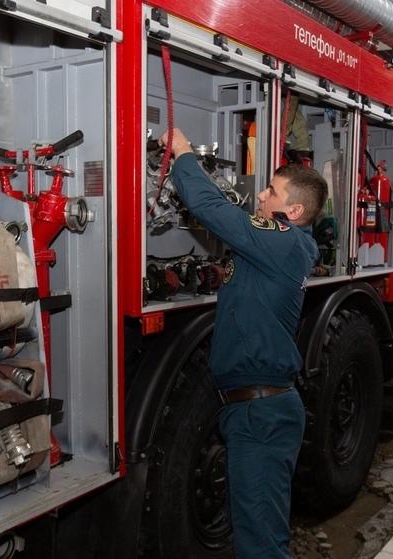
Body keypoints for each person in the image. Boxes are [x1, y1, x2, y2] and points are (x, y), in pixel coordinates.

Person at [159, 128, 328, 559]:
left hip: (261, 413)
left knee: (262, 546)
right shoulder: (277, 248)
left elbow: (210, 207)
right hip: (251, 410)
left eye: (271, 191)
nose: (261, 197)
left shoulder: (285, 242)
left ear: (293, 209)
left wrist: (183, 153)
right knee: (251, 531)